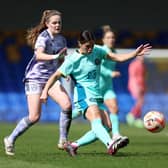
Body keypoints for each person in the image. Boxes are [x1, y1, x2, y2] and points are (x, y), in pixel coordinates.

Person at [40, 30, 151, 156]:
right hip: (84, 96)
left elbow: (115, 57)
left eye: (92, 45)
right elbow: (55, 75)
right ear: (79, 44)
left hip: (97, 95)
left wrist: (134, 54)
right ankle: (110, 144)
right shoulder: (72, 60)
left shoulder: (97, 50)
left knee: (108, 126)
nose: (90, 49)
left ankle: (73, 145)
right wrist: (44, 92)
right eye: (87, 46)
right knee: (96, 121)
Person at [4, 9, 72, 156]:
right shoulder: (43, 37)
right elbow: (39, 55)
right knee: (34, 116)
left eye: (59, 22)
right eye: (54, 22)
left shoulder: (62, 40)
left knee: (67, 104)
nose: (57, 25)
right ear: (47, 24)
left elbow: (61, 59)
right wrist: (55, 57)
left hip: (51, 78)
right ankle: (10, 139)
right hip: (35, 78)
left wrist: (64, 71)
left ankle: (63, 140)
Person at [126, 56, 146, 128]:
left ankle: (137, 118)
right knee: (139, 101)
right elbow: (133, 76)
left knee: (141, 102)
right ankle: (131, 115)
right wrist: (137, 86)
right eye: (141, 55)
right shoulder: (134, 64)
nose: (143, 57)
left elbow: (142, 76)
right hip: (136, 85)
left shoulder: (142, 64)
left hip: (141, 85)